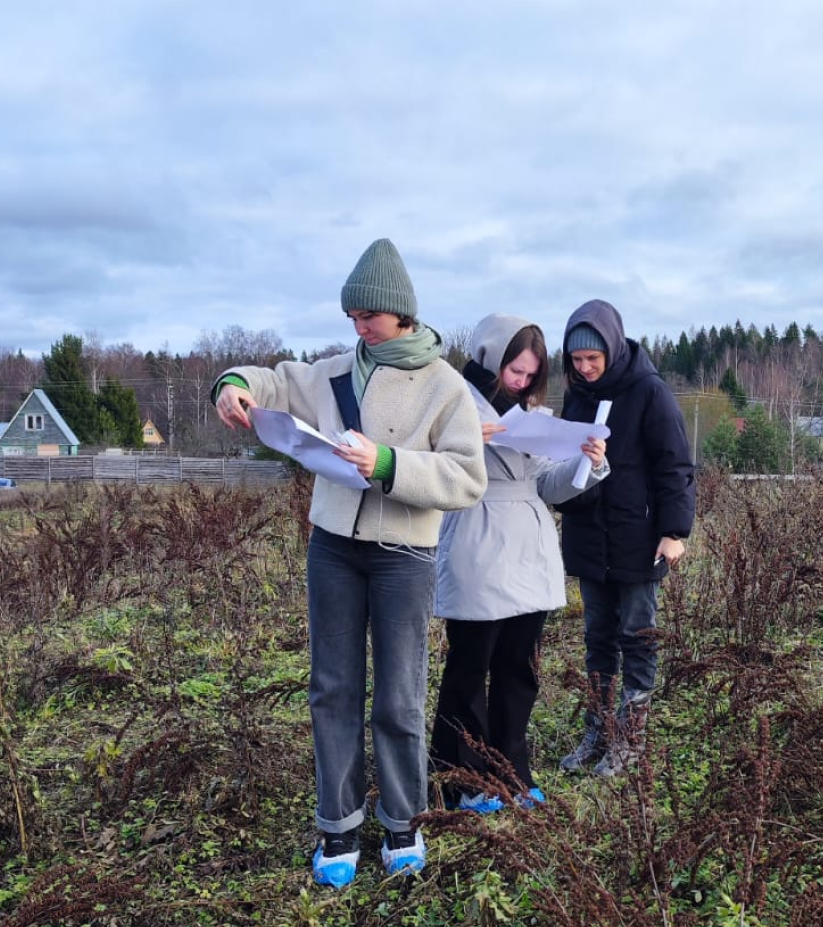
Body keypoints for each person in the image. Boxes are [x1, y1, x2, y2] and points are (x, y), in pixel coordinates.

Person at [213, 239, 487, 887]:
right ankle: (336, 827)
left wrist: (388, 465)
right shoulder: (331, 373)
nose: (358, 328)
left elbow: (467, 476)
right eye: (351, 317)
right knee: (331, 688)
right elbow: (272, 379)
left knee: (398, 696)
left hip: (404, 556)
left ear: (401, 314)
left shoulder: (446, 388)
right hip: (332, 548)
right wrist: (233, 386)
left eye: (368, 316)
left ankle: (401, 824)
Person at [432, 314, 608, 812]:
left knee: (519, 667)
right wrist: (470, 440)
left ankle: (511, 771)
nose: (521, 381)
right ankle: (463, 778)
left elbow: (547, 485)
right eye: (514, 370)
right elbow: (426, 458)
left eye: (530, 374)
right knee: (470, 667)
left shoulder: (533, 412)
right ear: (490, 358)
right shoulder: (452, 399)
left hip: (529, 546)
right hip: (477, 538)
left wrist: (587, 463)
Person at [554, 299, 695, 777]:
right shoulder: (575, 395)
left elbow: (674, 464)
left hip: (639, 538)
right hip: (590, 536)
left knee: (638, 636)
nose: (585, 368)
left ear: (612, 349)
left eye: (593, 359)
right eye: (576, 360)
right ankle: (598, 730)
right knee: (597, 636)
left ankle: (631, 735)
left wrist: (674, 531)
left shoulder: (650, 391)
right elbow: (562, 463)